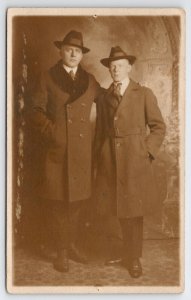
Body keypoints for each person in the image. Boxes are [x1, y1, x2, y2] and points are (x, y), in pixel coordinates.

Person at [31, 30, 101, 272]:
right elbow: (35, 112)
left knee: (77, 203)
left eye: (78, 51)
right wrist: (55, 133)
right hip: (57, 152)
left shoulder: (90, 80)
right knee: (58, 202)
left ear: (82, 55)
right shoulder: (48, 77)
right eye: (69, 49)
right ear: (60, 51)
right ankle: (61, 251)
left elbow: (105, 101)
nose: (73, 53)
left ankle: (70, 245)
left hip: (81, 153)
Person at [94, 46, 166, 278]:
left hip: (134, 161)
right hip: (110, 160)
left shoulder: (143, 93)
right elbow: (101, 130)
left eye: (120, 66)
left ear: (129, 68)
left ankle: (134, 258)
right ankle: (124, 252)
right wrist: (99, 157)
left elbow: (158, 127)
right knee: (116, 208)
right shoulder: (105, 96)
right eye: (112, 66)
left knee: (134, 210)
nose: (116, 69)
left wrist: (146, 152)